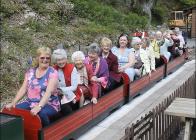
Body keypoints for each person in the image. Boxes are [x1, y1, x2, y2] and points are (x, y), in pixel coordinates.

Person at [5, 47, 60, 127]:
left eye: (47, 58)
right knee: (16, 110)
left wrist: (39, 106)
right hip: (31, 102)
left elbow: (48, 92)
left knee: (41, 113)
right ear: (37, 58)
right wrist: (13, 102)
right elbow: (23, 89)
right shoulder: (30, 72)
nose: (45, 60)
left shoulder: (53, 73)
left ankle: (48, 132)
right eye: (42, 57)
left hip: (49, 103)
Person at [52, 48, 78, 114]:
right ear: (55, 61)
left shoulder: (72, 68)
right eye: (58, 60)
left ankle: (70, 118)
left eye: (62, 59)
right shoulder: (53, 69)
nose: (61, 62)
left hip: (72, 93)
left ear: (66, 59)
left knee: (63, 104)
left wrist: (61, 90)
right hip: (58, 94)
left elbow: (74, 87)